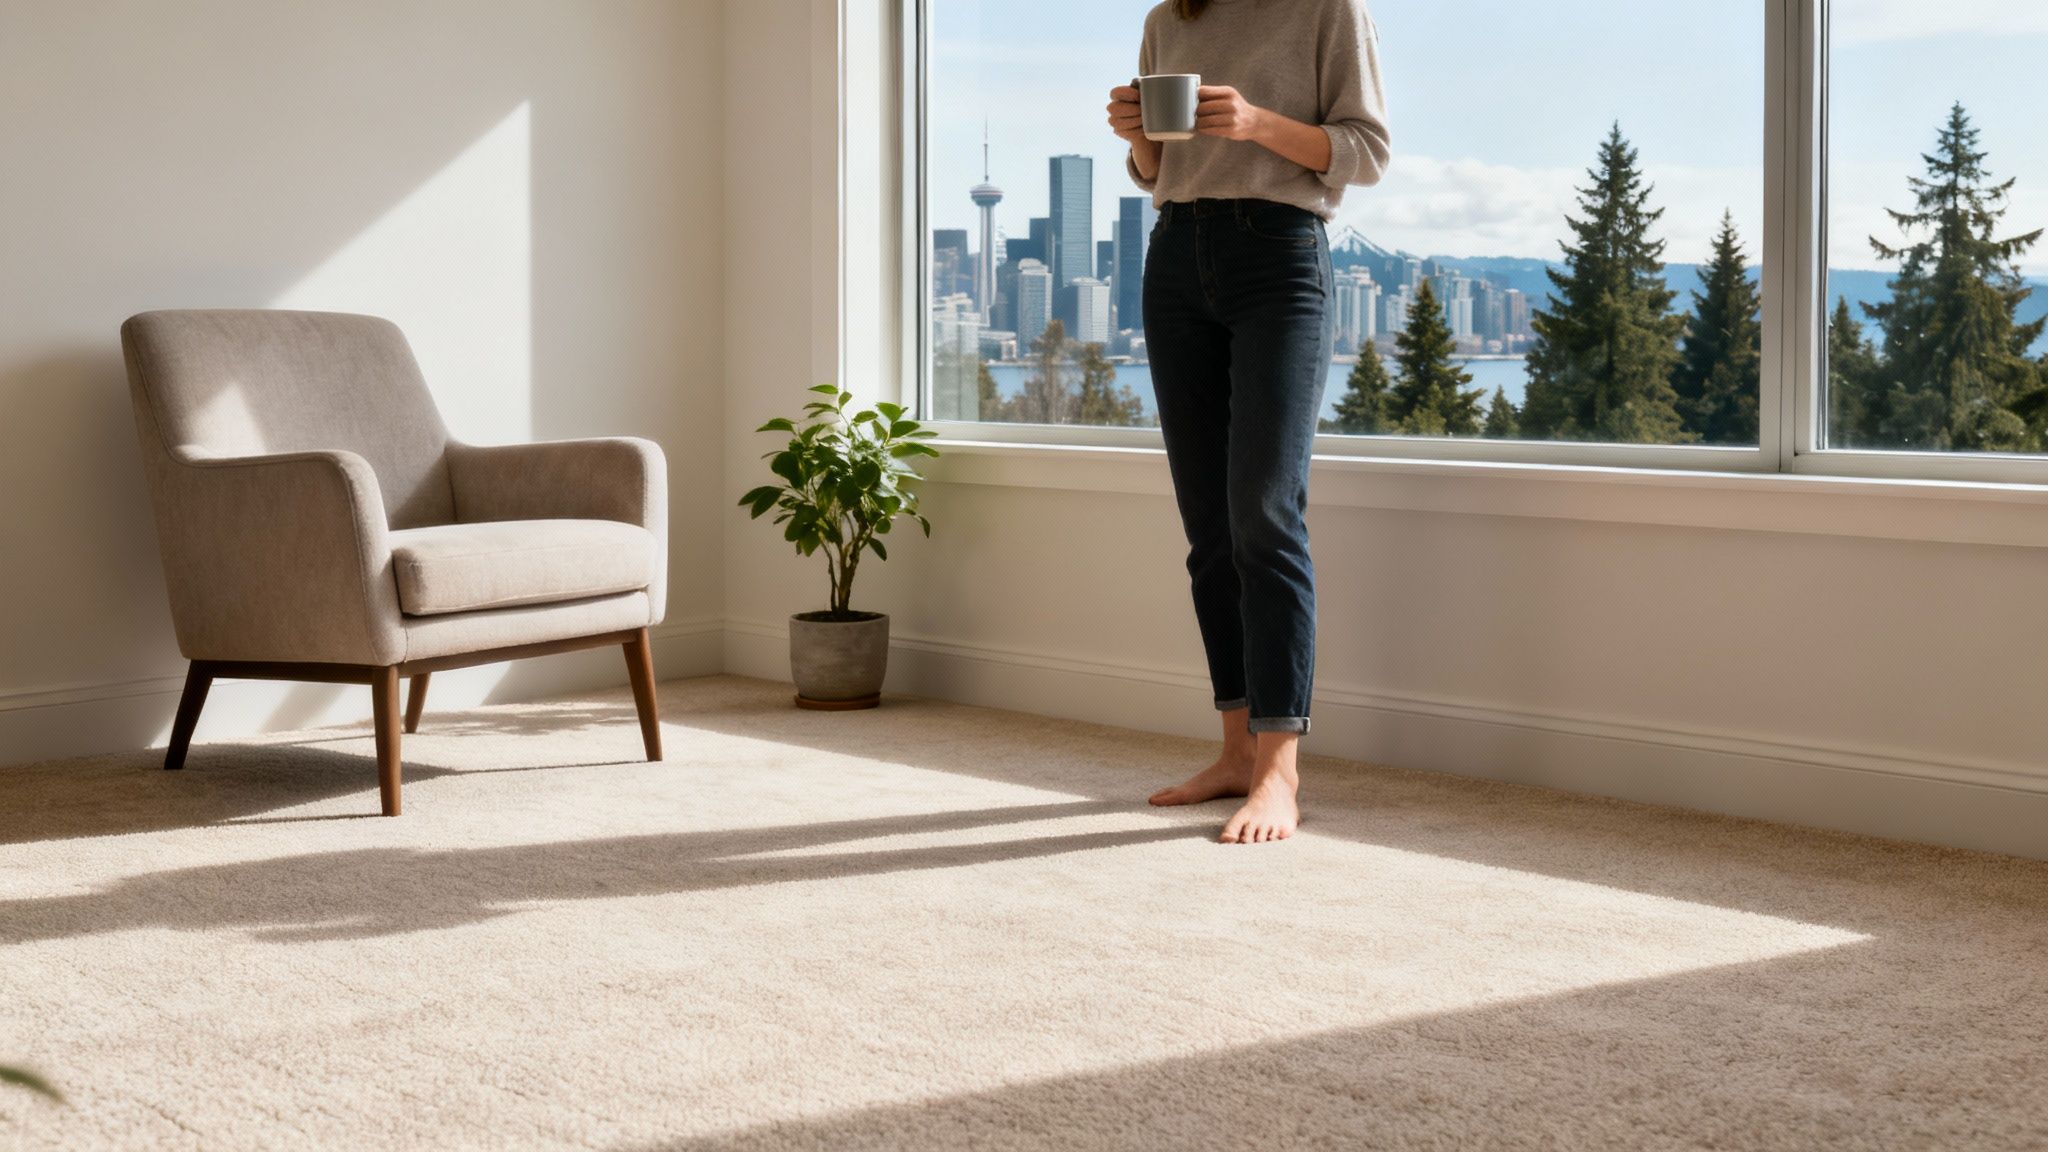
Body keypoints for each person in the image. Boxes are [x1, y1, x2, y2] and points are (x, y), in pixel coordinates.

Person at [1107, 0, 1390, 844]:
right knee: (1210, 527)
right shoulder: (1170, 17)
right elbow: (1162, 173)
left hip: (1279, 255)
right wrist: (1137, 136)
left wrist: (1259, 122)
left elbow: (1367, 152)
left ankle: (1279, 770)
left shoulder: (1328, 11)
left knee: (1265, 515)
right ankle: (1234, 749)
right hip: (1176, 254)